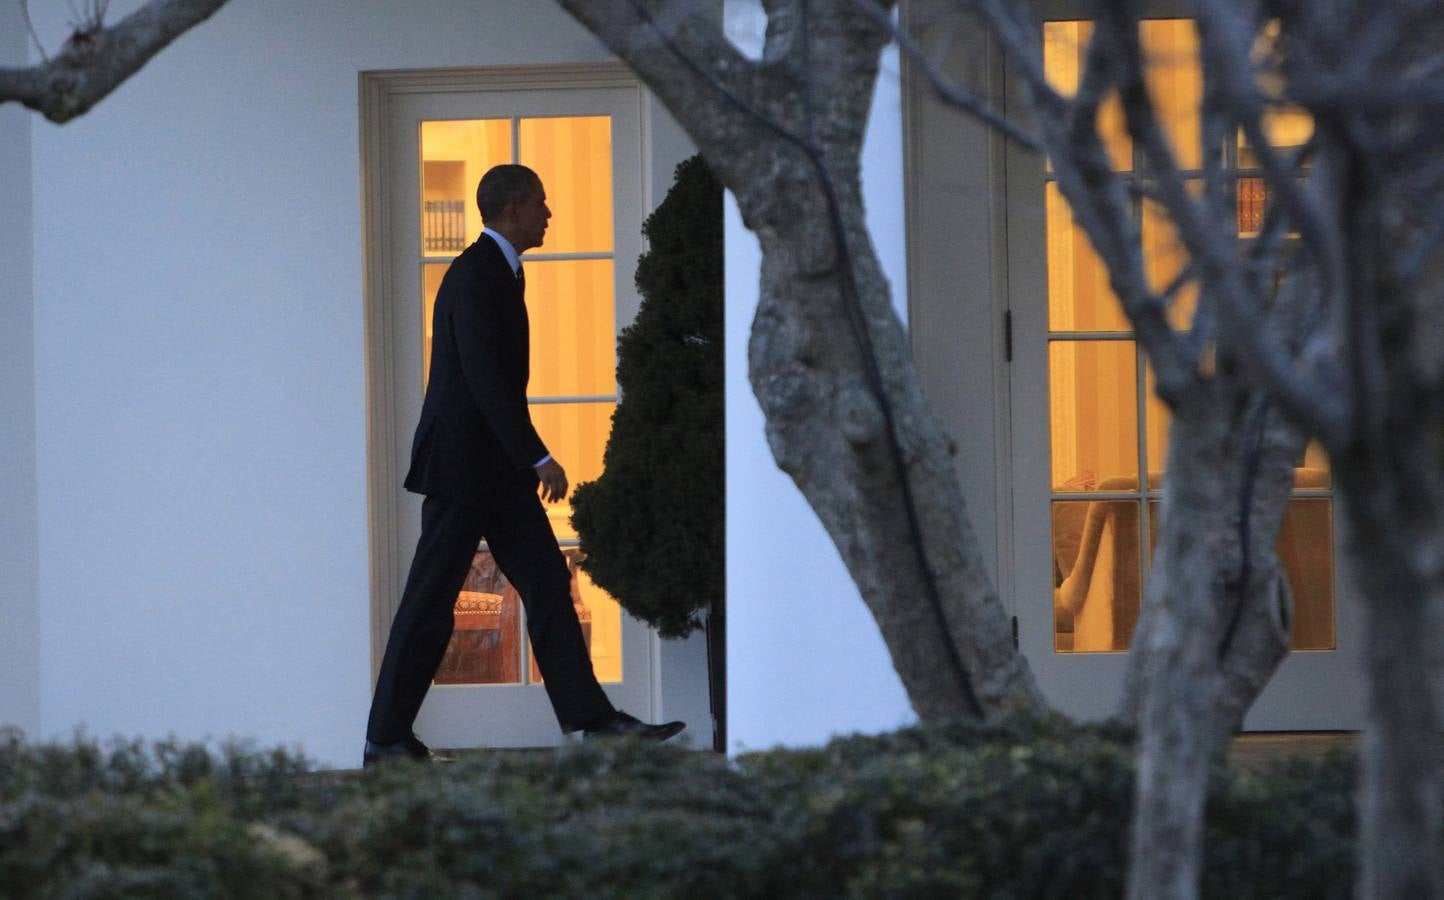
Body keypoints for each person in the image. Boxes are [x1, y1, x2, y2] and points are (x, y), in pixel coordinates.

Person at [364, 164, 684, 766]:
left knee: (545, 583)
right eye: (540, 202)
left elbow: (492, 386)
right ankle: (385, 739)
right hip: (464, 469)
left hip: (490, 470)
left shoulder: (497, 271)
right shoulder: (479, 274)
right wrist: (537, 457)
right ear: (513, 207)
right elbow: (486, 383)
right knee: (429, 602)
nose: (549, 213)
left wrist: (522, 459)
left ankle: (595, 722)